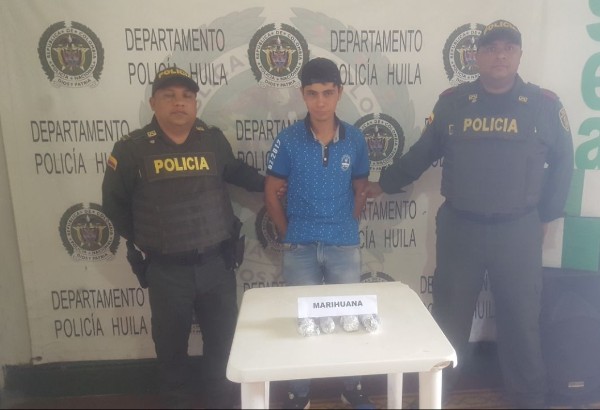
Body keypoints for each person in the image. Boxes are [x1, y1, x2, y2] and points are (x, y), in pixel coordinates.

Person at [367, 20, 574, 408]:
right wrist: (383, 184)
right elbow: (422, 153)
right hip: (461, 229)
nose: (500, 55)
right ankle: (434, 397)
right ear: (476, 57)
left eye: (508, 48)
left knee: (521, 321)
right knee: (449, 321)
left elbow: (564, 164)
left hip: (518, 230)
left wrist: (545, 216)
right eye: (491, 48)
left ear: (519, 55)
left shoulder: (544, 105)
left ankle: (529, 400)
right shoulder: (453, 102)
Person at [101, 67, 266, 409]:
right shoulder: (131, 149)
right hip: (166, 270)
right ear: (153, 103)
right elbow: (114, 206)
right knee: (171, 349)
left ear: (195, 103)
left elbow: (236, 173)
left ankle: (222, 402)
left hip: (216, 265)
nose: (179, 103)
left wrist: (274, 185)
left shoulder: (212, 140)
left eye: (187, 96)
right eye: (169, 96)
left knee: (223, 345)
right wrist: (149, 239)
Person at [264, 57, 373, 410]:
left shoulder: (355, 139)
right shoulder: (288, 139)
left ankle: (352, 388)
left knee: (350, 320)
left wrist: (348, 224)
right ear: (303, 95)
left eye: (328, 92)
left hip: (343, 243)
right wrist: (290, 233)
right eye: (312, 93)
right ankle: (299, 393)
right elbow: (271, 192)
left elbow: (360, 188)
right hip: (300, 246)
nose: (320, 101)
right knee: (304, 321)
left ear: (339, 92)